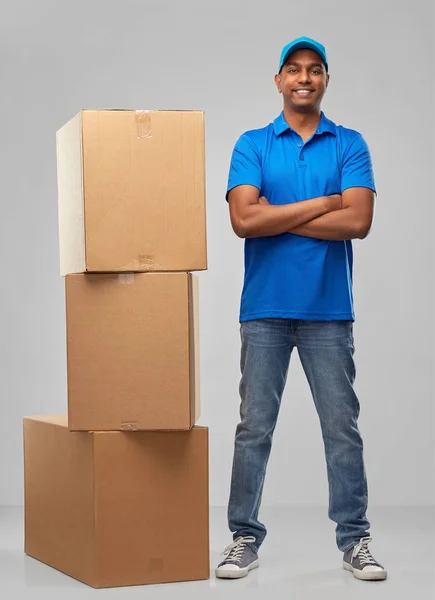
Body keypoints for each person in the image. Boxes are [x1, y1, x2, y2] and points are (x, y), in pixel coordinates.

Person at [215, 36, 387, 582]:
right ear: (279, 80)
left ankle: (354, 540)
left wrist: (278, 214)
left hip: (329, 311)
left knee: (341, 429)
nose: (304, 78)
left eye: (315, 70)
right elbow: (243, 221)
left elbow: (358, 222)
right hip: (264, 308)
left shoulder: (349, 143)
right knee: (254, 428)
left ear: (326, 80)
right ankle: (244, 536)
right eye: (294, 70)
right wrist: (324, 202)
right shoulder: (253, 143)